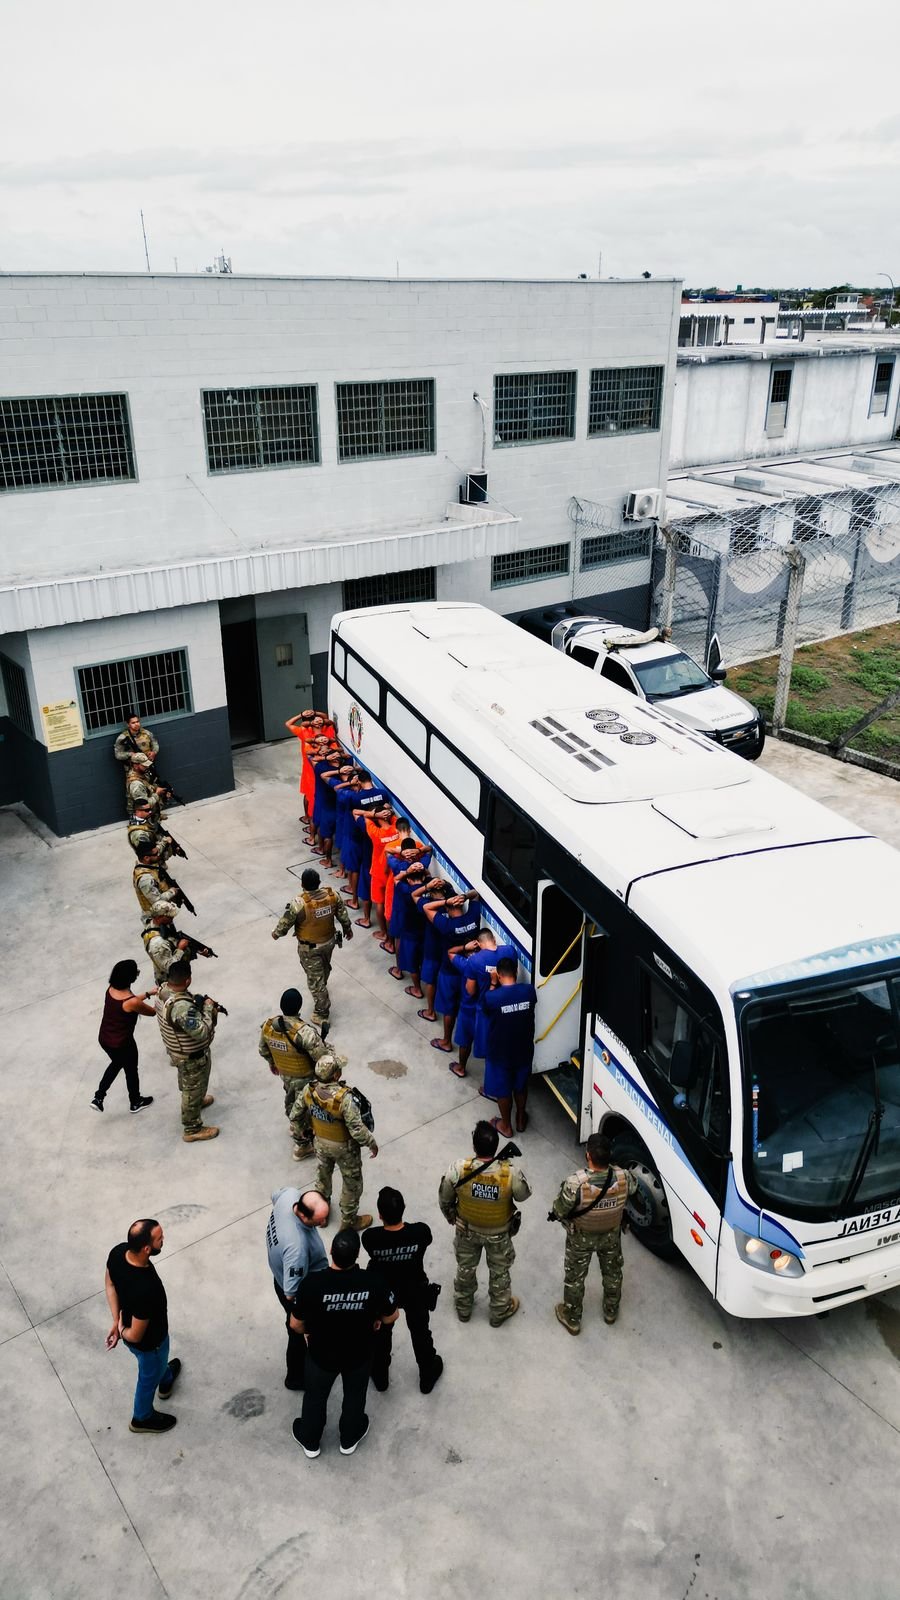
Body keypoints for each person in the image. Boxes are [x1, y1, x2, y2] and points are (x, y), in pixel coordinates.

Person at [291, 1229, 398, 1459]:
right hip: (359, 1354)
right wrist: (377, 1319)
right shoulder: (374, 1281)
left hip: (321, 1355)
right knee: (355, 1396)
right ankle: (349, 1437)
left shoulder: (312, 1284)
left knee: (315, 1397)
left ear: (331, 1251)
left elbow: (295, 1324)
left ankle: (310, 1440)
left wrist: (308, 1332)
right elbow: (392, 1316)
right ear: (357, 1254)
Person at [438, 1120, 531, 1326]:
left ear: (474, 1146)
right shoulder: (510, 1173)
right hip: (499, 1235)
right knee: (499, 1274)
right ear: (496, 1146)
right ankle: (499, 1313)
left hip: (467, 1231)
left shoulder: (458, 1170)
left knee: (465, 1270)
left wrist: (452, 1218)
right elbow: (524, 1195)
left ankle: (463, 1309)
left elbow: (444, 1198)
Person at [550, 1133, 638, 1333]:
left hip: (580, 1239)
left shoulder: (575, 1184)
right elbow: (634, 1189)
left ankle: (572, 1319)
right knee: (613, 1273)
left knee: (575, 1279)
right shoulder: (623, 1177)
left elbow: (559, 1210)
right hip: (611, 1236)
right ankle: (610, 1311)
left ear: (588, 1155)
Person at [362, 1188, 443, 1395]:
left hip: (385, 1292)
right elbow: (427, 1240)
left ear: (380, 1215)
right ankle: (427, 1375)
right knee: (420, 1331)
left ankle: (380, 1376)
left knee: (382, 1333)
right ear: (404, 1208)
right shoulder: (420, 1232)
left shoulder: (371, 1238)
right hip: (413, 1288)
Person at [105, 1218, 181, 1434]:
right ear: (147, 1249)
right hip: (150, 1344)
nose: (163, 1239)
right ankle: (142, 1418)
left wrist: (115, 1320)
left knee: (158, 1365)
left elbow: (110, 1284)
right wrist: (121, 1329)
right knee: (148, 1378)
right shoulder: (146, 1289)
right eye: (159, 1238)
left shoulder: (118, 1253)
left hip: (141, 1337)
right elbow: (135, 1335)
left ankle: (165, 1379)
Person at [300, 1054, 377, 1231]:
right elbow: (356, 1129)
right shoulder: (345, 1098)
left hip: (320, 1142)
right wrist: (371, 1143)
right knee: (351, 1184)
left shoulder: (308, 1091)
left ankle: (320, 1214)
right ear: (335, 1075)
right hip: (345, 1149)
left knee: (323, 1176)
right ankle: (349, 1222)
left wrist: (303, 1130)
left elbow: (296, 1114)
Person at [266, 1186, 330, 1389]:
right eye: (318, 1221)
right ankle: (295, 1377)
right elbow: (291, 1293)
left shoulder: (289, 1195)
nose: (323, 1223)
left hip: (279, 1273)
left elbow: (274, 1195)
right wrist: (305, 1316)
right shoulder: (297, 1249)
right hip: (295, 1292)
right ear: (302, 1215)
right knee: (296, 1331)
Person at [271, 867, 352, 1025]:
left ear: (302, 884)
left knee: (315, 982)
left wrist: (276, 934)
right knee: (324, 967)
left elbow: (285, 923)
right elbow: (343, 915)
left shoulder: (299, 903)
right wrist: (347, 929)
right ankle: (322, 984)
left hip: (310, 949)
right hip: (329, 942)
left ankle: (321, 1014)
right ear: (319, 882)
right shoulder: (332, 896)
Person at [258, 987, 329, 1159]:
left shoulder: (269, 1026)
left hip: (286, 1074)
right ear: (299, 1007)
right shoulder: (304, 1032)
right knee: (303, 1109)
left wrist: (273, 1063)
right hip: (305, 1077)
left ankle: (294, 1126)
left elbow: (263, 1049)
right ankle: (302, 1145)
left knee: (292, 1099)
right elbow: (322, 1059)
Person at [155, 958, 222, 1142]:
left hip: (177, 1050)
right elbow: (201, 1032)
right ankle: (192, 1128)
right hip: (191, 1056)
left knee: (191, 1086)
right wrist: (208, 1008)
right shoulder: (181, 1008)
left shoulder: (163, 991)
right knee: (192, 1088)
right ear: (188, 980)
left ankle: (197, 1100)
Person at [480, 957, 537, 1136]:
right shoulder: (529, 991)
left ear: (498, 975)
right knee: (521, 1085)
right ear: (516, 972)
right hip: (524, 1050)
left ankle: (506, 1126)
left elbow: (485, 1009)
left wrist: (492, 984)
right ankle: (520, 1119)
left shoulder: (491, 997)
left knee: (503, 1090)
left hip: (500, 1053)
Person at [91, 959, 156, 1114]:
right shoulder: (131, 1001)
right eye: (136, 972)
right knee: (130, 1070)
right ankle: (134, 1101)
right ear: (130, 978)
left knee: (117, 1063)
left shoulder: (111, 989)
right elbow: (152, 1012)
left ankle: (99, 1098)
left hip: (105, 1038)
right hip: (123, 1043)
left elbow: (130, 1002)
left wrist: (148, 993)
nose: (138, 974)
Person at [423, 886, 481, 1054]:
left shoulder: (447, 925)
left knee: (449, 1009)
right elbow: (476, 894)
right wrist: (464, 896)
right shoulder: (473, 917)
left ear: (448, 908)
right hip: (467, 972)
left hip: (449, 971)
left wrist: (446, 901)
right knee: (463, 1006)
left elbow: (426, 907)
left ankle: (446, 1041)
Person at [114, 714, 159, 812]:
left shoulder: (146, 733)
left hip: (148, 766)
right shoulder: (122, 738)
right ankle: (134, 814)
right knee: (134, 793)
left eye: (137, 721)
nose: (136, 724)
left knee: (153, 788)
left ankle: (155, 812)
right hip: (133, 770)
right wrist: (130, 754)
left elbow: (155, 744)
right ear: (128, 724)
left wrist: (154, 752)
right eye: (133, 723)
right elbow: (118, 755)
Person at [132, 843, 183, 921]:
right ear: (146, 858)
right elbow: (157, 901)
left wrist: (166, 842)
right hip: (154, 917)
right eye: (156, 854)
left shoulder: (147, 865)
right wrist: (172, 892)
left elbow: (158, 849)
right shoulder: (145, 879)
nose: (158, 855)